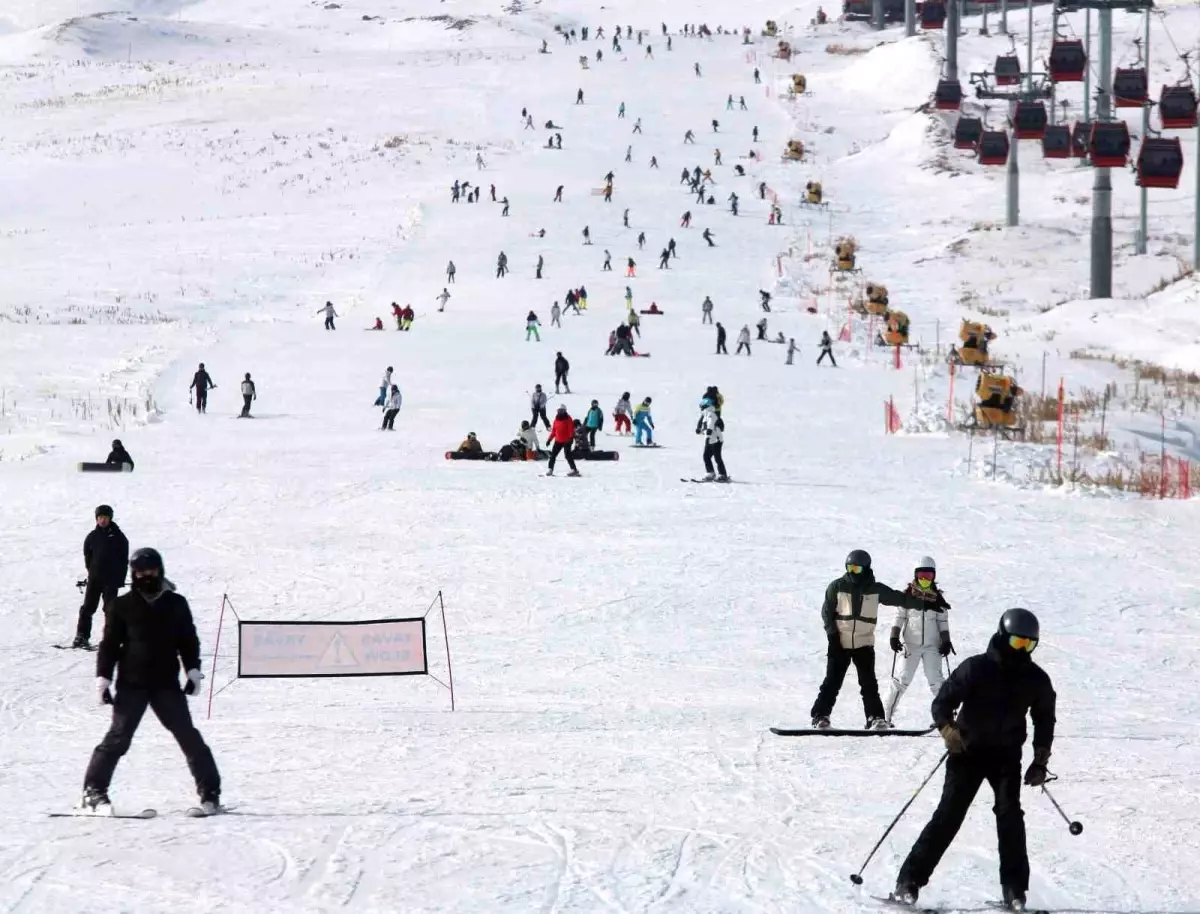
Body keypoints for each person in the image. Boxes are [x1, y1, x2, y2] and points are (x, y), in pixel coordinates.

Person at [893, 609, 1055, 911]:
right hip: (966, 752)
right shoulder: (976, 669)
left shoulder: (1035, 678)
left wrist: (1040, 760)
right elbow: (942, 702)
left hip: (1006, 757)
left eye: (1029, 645)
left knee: (1010, 818)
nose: (1023, 650)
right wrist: (948, 730)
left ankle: (1014, 891)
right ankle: (908, 882)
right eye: (1019, 643)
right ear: (1004, 637)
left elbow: (1045, 719)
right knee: (949, 815)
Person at [81, 548, 222, 815]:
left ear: (160, 570)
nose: (146, 576)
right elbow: (110, 645)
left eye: (151, 571)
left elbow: (188, 640)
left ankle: (210, 795)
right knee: (118, 738)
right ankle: (93, 792)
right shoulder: (122, 606)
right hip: (131, 684)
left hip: (166, 684)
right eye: (140, 572)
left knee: (189, 738)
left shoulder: (176, 603)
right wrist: (102, 679)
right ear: (132, 574)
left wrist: (193, 671)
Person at [811, 550, 940, 730]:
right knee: (832, 682)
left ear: (865, 569)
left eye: (856, 569)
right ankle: (820, 716)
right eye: (849, 568)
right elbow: (827, 613)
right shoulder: (837, 587)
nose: (852, 572)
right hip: (839, 642)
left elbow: (900, 598)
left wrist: (925, 603)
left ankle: (876, 718)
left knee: (869, 684)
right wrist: (832, 636)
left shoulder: (875, 589)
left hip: (864, 643)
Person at [884, 557, 953, 725]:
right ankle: (884, 718)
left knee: (936, 681)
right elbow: (899, 617)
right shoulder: (906, 596)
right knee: (901, 679)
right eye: (921, 575)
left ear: (934, 576)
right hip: (910, 646)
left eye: (928, 576)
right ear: (915, 576)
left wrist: (946, 641)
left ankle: (946, 717)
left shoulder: (938, 599)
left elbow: (942, 622)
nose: (924, 579)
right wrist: (894, 636)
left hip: (932, 646)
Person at [73, 505, 129, 649]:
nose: (102, 520)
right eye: (100, 518)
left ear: (110, 518)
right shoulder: (92, 536)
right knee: (87, 608)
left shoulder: (118, 537)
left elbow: (123, 560)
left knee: (110, 610)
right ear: (96, 519)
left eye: (105, 518)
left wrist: (119, 579)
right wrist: (91, 571)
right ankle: (81, 637)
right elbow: (87, 555)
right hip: (95, 579)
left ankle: (111, 639)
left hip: (111, 580)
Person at [696, 398, 727, 481]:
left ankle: (722, 474)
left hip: (716, 439)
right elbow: (706, 425)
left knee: (716, 457)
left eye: (702, 406)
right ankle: (711, 473)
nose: (701, 408)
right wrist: (700, 430)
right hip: (710, 439)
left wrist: (709, 431)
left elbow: (711, 423)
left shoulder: (710, 414)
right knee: (706, 456)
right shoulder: (706, 415)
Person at [546, 406, 580, 476]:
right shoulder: (556, 420)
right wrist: (549, 439)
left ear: (565, 411)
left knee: (567, 455)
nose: (560, 412)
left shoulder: (568, 418)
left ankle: (574, 470)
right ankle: (550, 469)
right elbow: (554, 431)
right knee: (553, 455)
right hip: (558, 440)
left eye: (562, 410)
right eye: (559, 410)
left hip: (567, 441)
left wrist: (571, 438)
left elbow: (571, 429)